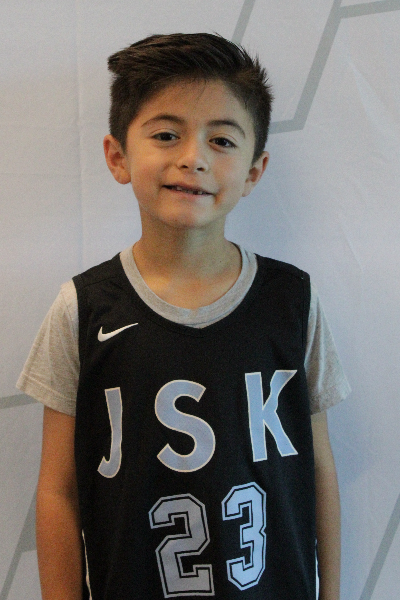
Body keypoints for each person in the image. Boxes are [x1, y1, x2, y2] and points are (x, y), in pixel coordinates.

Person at [17, 33, 350, 600]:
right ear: (118, 156)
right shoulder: (82, 308)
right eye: (167, 134)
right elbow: (58, 490)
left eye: (221, 140)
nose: (193, 157)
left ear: (254, 170)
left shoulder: (292, 300)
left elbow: (317, 468)